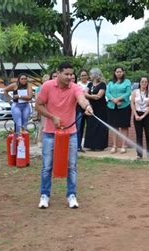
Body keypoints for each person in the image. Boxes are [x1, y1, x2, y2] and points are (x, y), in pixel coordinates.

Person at [36, 62, 93, 209]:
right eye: (66, 74)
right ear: (59, 73)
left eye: (71, 74)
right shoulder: (47, 86)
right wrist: (52, 117)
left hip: (71, 133)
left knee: (72, 166)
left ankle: (71, 195)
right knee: (47, 166)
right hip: (50, 133)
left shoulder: (75, 87)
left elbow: (81, 98)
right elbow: (38, 105)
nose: (70, 77)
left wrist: (87, 106)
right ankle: (44, 195)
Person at [106, 66, 132, 153]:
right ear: (114, 73)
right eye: (117, 72)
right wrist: (113, 100)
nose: (119, 73)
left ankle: (124, 146)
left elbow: (128, 92)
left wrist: (119, 99)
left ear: (123, 72)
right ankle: (114, 146)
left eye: (120, 71)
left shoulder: (127, 81)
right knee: (114, 127)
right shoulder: (110, 82)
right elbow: (107, 92)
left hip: (124, 106)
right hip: (112, 106)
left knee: (124, 126)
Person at [84, 68, 108, 151]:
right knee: (91, 125)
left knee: (100, 126)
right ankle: (90, 145)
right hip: (91, 107)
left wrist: (90, 96)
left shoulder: (102, 84)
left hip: (101, 108)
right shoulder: (90, 84)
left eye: (91, 74)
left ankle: (99, 146)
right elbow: (85, 93)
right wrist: (92, 96)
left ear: (95, 74)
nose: (90, 76)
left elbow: (99, 96)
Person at [131, 76, 149, 159]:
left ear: (148, 83)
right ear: (139, 83)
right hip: (137, 114)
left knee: (148, 135)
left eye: (145, 82)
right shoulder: (135, 92)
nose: (144, 83)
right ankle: (139, 154)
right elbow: (132, 103)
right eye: (142, 82)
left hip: (147, 115)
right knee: (139, 135)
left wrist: (143, 115)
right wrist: (136, 115)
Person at [76, 70, 89, 152]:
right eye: (82, 75)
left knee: (90, 127)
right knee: (79, 127)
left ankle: (89, 145)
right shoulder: (77, 85)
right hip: (80, 108)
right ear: (80, 76)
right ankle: (78, 145)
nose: (84, 77)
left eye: (85, 75)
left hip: (90, 108)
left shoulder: (90, 84)